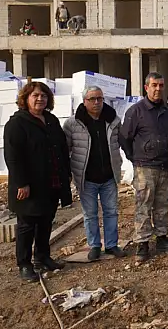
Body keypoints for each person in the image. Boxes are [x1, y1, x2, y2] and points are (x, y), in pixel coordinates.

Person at [4, 82, 71, 282]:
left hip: (50, 182)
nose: (40, 99)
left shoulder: (51, 120)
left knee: (46, 221)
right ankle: (24, 264)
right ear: (25, 99)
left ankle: (42, 257)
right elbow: (13, 157)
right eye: (35, 95)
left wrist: (66, 174)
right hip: (29, 184)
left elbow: (61, 149)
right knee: (27, 225)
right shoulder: (17, 124)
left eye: (43, 95)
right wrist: (21, 183)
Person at [63, 86, 125, 261]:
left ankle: (111, 245)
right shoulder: (73, 124)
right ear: (84, 101)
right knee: (90, 214)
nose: (96, 102)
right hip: (86, 178)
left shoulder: (113, 120)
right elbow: (65, 150)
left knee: (111, 212)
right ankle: (94, 245)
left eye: (99, 98)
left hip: (109, 176)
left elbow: (121, 142)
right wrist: (67, 173)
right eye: (92, 99)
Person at [120, 72, 168, 262]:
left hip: (165, 166)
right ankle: (142, 242)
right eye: (154, 85)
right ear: (146, 87)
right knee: (143, 205)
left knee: (162, 204)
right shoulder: (136, 111)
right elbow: (124, 138)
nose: (158, 89)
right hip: (145, 167)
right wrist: (135, 158)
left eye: (161, 85)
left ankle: (162, 237)